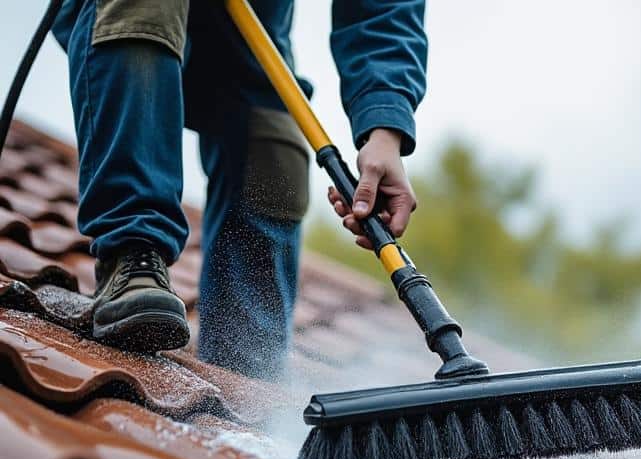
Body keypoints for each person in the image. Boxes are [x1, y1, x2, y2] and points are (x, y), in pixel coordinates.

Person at [52, 0, 424, 379]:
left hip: (252, 21)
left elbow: (383, 8)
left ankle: (246, 366)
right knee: (147, 11)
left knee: (276, 154)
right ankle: (133, 258)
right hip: (129, 14)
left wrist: (385, 126)